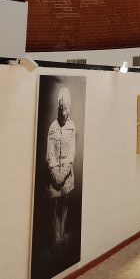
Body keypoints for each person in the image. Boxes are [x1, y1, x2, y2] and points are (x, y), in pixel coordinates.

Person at [46, 86, 76, 246]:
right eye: (62, 108)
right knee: (53, 204)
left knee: (64, 203)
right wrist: (54, 172)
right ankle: (55, 235)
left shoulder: (72, 126)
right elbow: (49, 153)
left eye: (66, 109)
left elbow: (71, 154)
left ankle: (62, 232)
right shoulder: (52, 127)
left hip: (66, 175)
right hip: (53, 175)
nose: (64, 113)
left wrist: (63, 173)